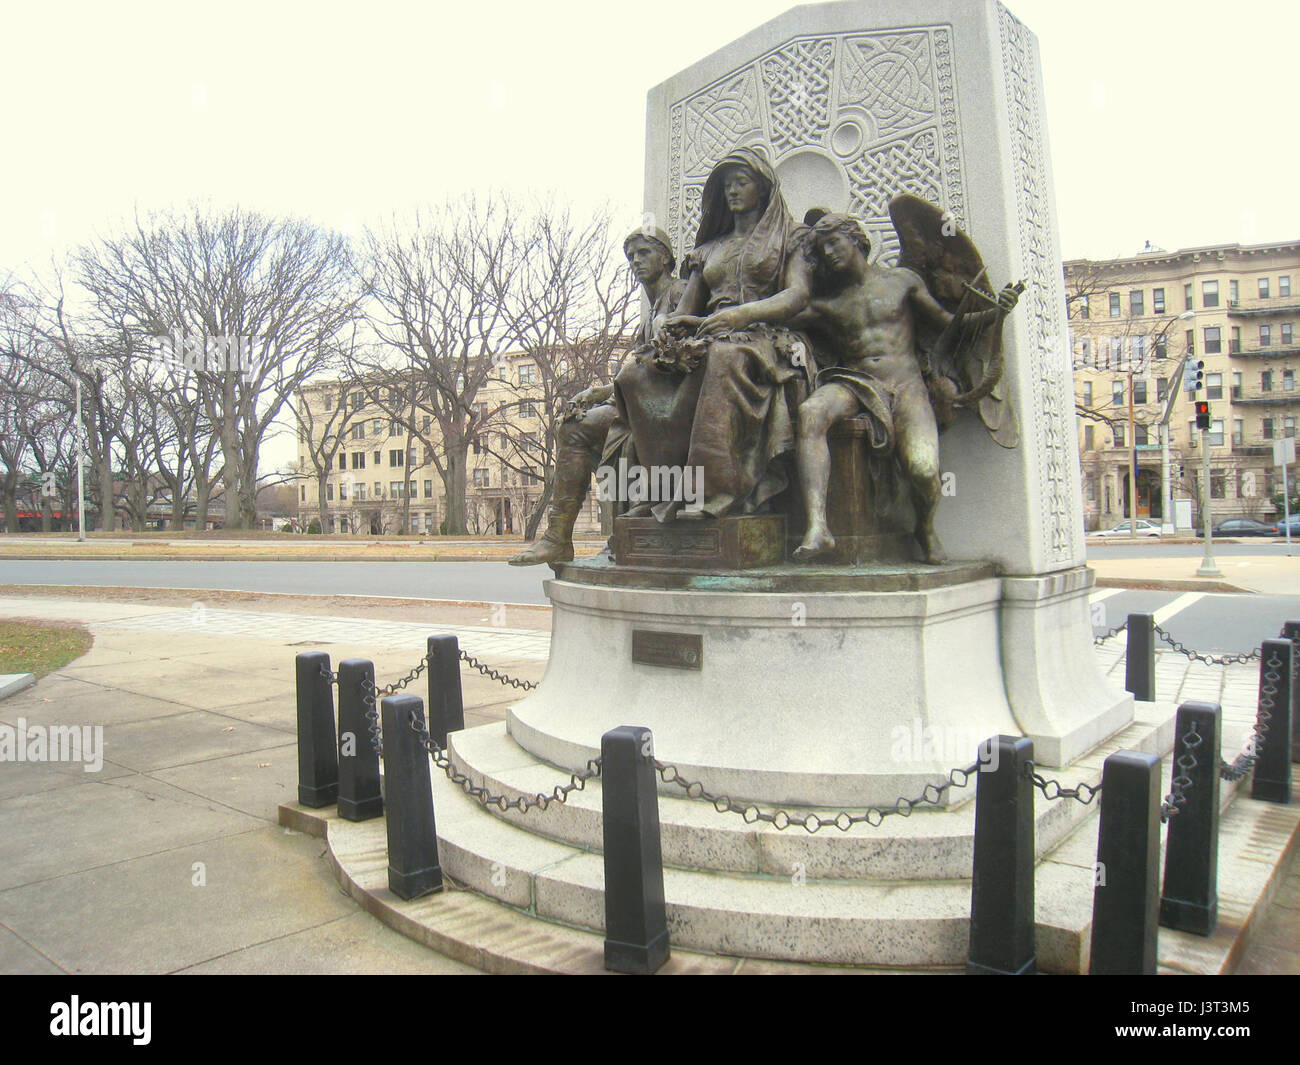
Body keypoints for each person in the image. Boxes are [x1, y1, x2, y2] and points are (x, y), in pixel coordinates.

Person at [791, 213, 1018, 564]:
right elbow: (779, 309)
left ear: (857, 240)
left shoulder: (902, 281)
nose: (830, 253)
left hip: (908, 387)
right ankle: (818, 528)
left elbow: (948, 325)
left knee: (925, 470)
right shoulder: (825, 303)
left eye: (835, 242)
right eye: (822, 250)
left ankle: (924, 528)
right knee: (811, 412)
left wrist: (995, 314)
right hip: (857, 383)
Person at [615, 145, 815, 522]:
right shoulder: (708, 249)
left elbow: (797, 295)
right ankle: (660, 489)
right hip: (713, 334)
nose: (733, 192)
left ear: (764, 188)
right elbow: (688, 309)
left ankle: (716, 492)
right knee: (635, 373)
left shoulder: (793, 237)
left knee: (722, 359)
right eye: (727, 187)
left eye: (742, 183)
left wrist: (741, 315)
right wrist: (677, 326)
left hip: (767, 337)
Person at [508, 226, 684, 565]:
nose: (636, 261)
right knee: (571, 427)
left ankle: (619, 530)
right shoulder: (648, 314)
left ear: (665, 257)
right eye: (630, 256)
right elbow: (637, 370)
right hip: (639, 403)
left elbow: (677, 357)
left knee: (596, 432)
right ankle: (558, 538)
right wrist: (597, 392)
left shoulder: (681, 293)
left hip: (672, 404)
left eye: (644, 252)